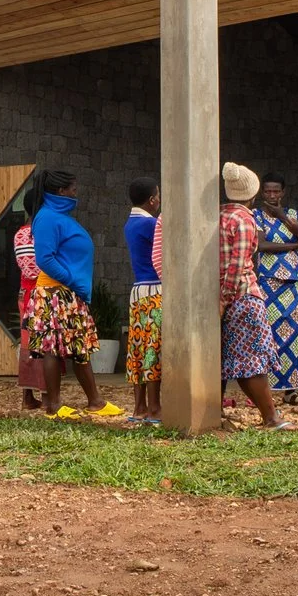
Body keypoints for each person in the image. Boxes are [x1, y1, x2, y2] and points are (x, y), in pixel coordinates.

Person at [20, 171, 116, 418]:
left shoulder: (57, 216)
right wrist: (73, 280)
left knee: (79, 347)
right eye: (73, 188)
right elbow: (45, 259)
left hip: (68, 293)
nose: (76, 193)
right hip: (55, 293)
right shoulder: (48, 218)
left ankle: (95, 401)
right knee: (52, 349)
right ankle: (53, 405)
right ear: (61, 191)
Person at [218, 164, 290, 431]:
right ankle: (271, 417)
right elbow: (238, 265)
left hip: (221, 297)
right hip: (243, 296)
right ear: (253, 193)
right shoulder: (245, 219)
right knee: (252, 361)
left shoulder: (218, 216)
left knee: (221, 360)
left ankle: (212, 412)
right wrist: (226, 298)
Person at [252, 173, 298, 403]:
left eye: (275, 191)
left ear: (283, 192)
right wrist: (295, 244)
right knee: (269, 335)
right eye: (267, 191)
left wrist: (282, 216)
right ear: (262, 193)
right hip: (269, 283)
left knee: (296, 334)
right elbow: (261, 245)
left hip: (296, 284)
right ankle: (264, 391)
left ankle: (292, 390)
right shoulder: (256, 216)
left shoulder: (293, 215)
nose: (271, 195)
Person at [123, 178, 164, 424]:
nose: (159, 200)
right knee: (152, 349)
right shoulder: (152, 224)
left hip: (138, 292)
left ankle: (139, 407)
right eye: (157, 196)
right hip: (155, 292)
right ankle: (155, 408)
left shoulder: (130, 223)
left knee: (138, 347)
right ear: (151, 200)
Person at [13, 204, 43, 411]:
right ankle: (48, 395)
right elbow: (38, 269)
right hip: (39, 292)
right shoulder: (40, 234)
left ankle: (28, 395)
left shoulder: (19, 234)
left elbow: (26, 267)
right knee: (43, 344)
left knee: (27, 345)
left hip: (24, 292)